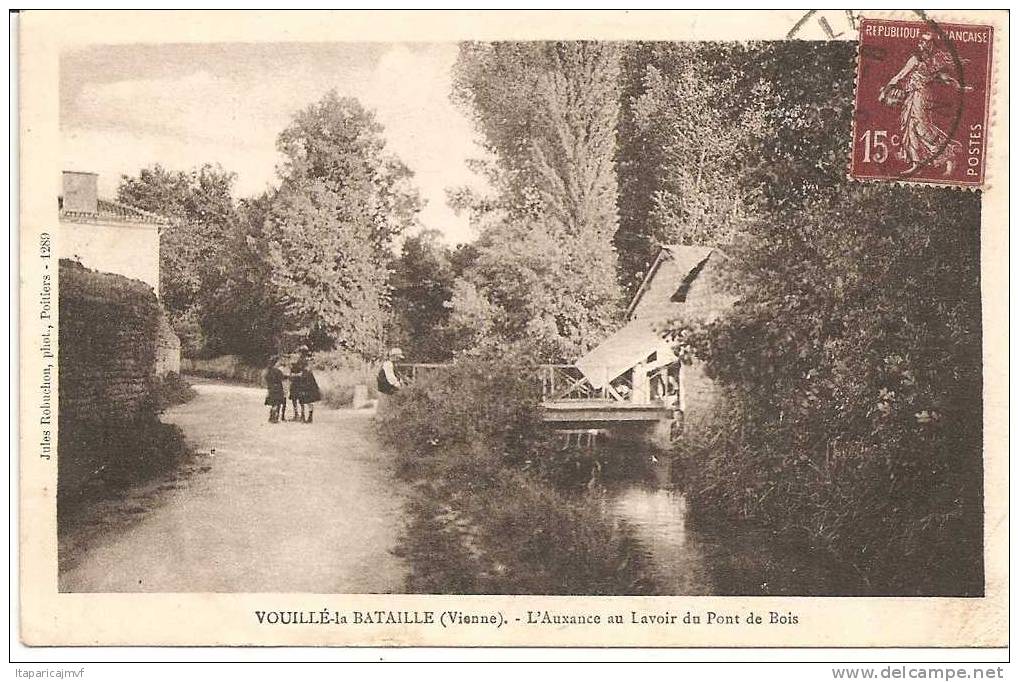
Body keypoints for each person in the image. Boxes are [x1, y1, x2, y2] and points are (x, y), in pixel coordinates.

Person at [879, 33, 972, 175]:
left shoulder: (934, 61)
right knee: (910, 127)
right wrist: (886, 90)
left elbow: (945, 78)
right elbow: (900, 76)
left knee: (923, 128)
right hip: (912, 95)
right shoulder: (915, 60)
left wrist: (961, 87)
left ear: (931, 45)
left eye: (925, 43)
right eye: (921, 43)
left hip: (921, 96)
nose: (921, 45)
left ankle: (948, 156)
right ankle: (916, 163)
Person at [376, 348, 404, 417]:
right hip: (385, 391)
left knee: (389, 410)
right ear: (393, 356)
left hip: (388, 390)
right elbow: (391, 379)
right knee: (385, 411)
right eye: (397, 358)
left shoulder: (392, 365)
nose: (398, 360)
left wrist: (400, 381)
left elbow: (396, 377)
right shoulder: (388, 364)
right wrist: (400, 387)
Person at [264, 355, 287, 423]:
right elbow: (282, 378)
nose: (279, 363)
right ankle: (274, 418)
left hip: (271, 388)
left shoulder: (269, 370)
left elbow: (266, 379)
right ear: (276, 363)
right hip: (278, 388)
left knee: (273, 403)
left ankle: (271, 417)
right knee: (277, 403)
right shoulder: (277, 371)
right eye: (278, 362)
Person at [289, 347, 308, 422]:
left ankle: (298, 414)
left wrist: (294, 375)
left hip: (298, 382)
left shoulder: (302, 361)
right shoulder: (303, 361)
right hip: (299, 382)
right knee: (299, 399)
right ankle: (300, 414)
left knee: (296, 399)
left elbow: (302, 373)